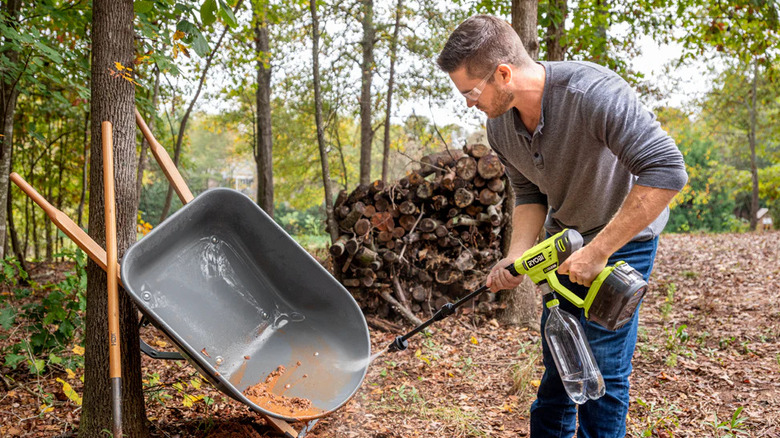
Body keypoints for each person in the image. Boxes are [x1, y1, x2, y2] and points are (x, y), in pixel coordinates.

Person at [437, 15, 688, 438]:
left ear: (503, 73)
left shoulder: (592, 94)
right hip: (566, 241)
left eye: (471, 92)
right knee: (560, 365)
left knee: (602, 375)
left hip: (622, 242)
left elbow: (667, 171)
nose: (468, 102)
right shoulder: (500, 124)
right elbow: (528, 191)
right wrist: (516, 255)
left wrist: (599, 251)